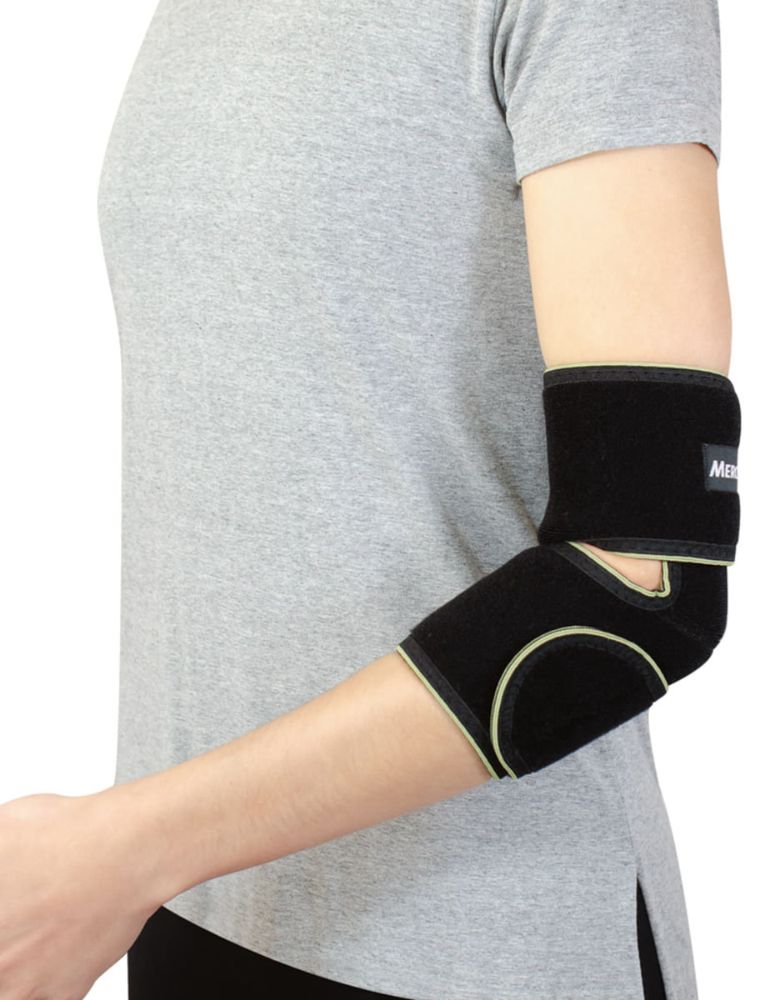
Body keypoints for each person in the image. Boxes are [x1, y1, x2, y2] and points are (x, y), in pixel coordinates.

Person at [0, 1, 735, 998]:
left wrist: (129, 846)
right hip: (193, 909)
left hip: (479, 948)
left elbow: (640, 581)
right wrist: (134, 859)